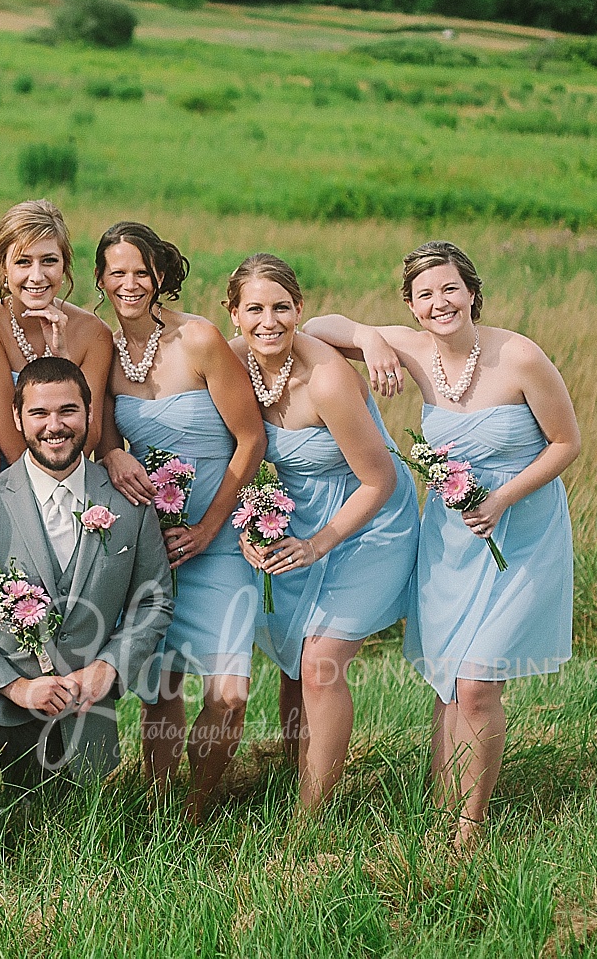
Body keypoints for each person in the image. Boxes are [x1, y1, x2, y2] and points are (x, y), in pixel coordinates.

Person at [307, 240, 579, 850]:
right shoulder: (412, 347)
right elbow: (319, 330)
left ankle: (467, 833)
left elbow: (566, 443)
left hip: (522, 535)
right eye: (424, 295)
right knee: (449, 679)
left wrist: (504, 497)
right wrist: (373, 338)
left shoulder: (520, 357)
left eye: (450, 289)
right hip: (451, 541)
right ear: (411, 305)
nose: (440, 303)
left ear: (472, 292)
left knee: (479, 684)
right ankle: (442, 803)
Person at [0, 357, 173, 803]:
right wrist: (16, 686)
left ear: (89, 414)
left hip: (75, 698)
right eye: (39, 414)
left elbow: (154, 601)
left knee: (61, 822)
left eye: (67, 411)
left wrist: (109, 668)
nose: (55, 426)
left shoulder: (130, 503)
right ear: (17, 418)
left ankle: (23, 808)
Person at [224, 253, 418, 812]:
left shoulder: (327, 380)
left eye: (282, 307)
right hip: (296, 513)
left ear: (298, 308)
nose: (269, 321)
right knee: (291, 654)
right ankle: (293, 767)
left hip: (366, 524)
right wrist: (248, 520)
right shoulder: (235, 364)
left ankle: (313, 817)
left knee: (319, 661)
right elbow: (233, 449)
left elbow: (378, 481)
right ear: (233, 315)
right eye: (254, 309)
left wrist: (317, 544)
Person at [95, 221, 266, 822]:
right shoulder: (104, 353)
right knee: (160, 687)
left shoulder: (199, 340)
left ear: (160, 275)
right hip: (152, 542)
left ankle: (199, 804)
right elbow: (103, 433)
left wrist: (213, 526)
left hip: (215, 540)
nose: (130, 284)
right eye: (117, 273)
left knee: (229, 693)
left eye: (140, 271)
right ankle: (162, 808)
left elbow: (251, 440)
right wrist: (113, 449)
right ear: (101, 280)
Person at [0, 199, 113, 465]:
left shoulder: (94, 333)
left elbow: (91, 433)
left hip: (68, 470)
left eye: (49, 261)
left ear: (64, 266)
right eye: (23, 262)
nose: (37, 275)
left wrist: (63, 362)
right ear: (3, 268)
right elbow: (6, 426)